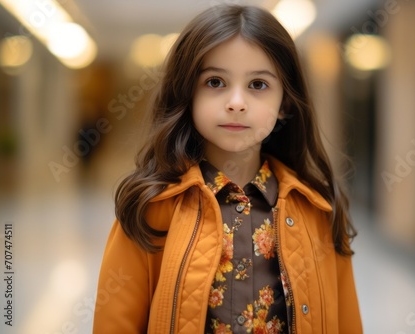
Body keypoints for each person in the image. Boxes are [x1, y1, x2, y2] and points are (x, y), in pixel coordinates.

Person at [93, 4, 362, 333]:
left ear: (285, 103)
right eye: (216, 82)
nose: (236, 102)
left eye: (258, 85)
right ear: (187, 93)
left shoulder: (319, 210)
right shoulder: (150, 208)